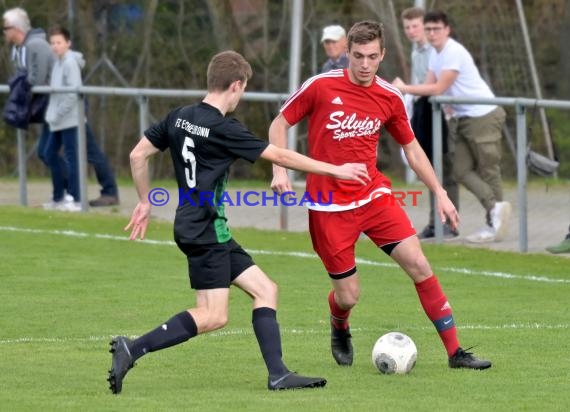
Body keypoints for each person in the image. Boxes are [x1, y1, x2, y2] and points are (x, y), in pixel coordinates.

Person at [107, 50, 370, 394]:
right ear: (235, 85)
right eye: (243, 90)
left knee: (266, 290)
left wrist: (144, 201)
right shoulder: (223, 127)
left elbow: (137, 154)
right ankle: (133, 348)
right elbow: (279, 155)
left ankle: (278, 374)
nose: (241, 97)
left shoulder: (179, 116)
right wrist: (337, 169)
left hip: (200, 225)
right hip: (205, 230)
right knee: (213, 315)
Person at [269, 20, 491, 371]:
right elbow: (278, 124)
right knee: (349, 295)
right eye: (357, 56)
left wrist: (440, 192)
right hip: (328, 206)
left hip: (374, 195)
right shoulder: (321, 86)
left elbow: (413, 149)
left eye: (372, 56)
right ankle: (339, 323)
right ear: (348, 54)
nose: (364, 64)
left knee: (419, 264)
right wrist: (279, 168)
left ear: (382, 55)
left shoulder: (390, 96)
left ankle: (455, 353)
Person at [393, 10, 511, 244]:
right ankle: (495, 209)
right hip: (462, 117)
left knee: (488, 170)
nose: (431, 33)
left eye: (436, 29)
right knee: (459, 170)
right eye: (429, 29)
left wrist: (404, 87)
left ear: (447, 30)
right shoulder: (435, 55)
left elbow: (437, 89)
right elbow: (427, 86)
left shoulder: (453, 51)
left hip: (482, 115)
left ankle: (494, 223)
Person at [44, 25, 119, 211]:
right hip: (59, 121)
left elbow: (72, 94)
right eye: (52, 43)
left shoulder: (70, 62)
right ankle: (61, 196)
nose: (55, 46)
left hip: (72, 120)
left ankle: (77, 197)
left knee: (78, 156)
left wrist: (56, 113)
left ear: (68, 43)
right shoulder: (58, 62)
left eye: (59, 42)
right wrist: (52, 115)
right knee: (50, 153)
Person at [399, 7, 458, 239]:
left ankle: (450, 222)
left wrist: (405, 88)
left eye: (416, 26)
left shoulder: (437, 50)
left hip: (444, 114)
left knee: (447, 169)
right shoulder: (417, 51)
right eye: (407, 27)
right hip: (426, 111)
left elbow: (436, 86)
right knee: (430, 168)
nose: (412, 31)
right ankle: (436, 222)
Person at [2, 8, 68, 203]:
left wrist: (22, 93)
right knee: (46, 152)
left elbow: (36, 78)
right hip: (48, 105)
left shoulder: (35, 44)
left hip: (56, 103)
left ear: (15, 28)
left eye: (6, 28)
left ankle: (69, 193)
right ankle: (65, 193)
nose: (4, 32)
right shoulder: (20, 48)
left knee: (50, 152)